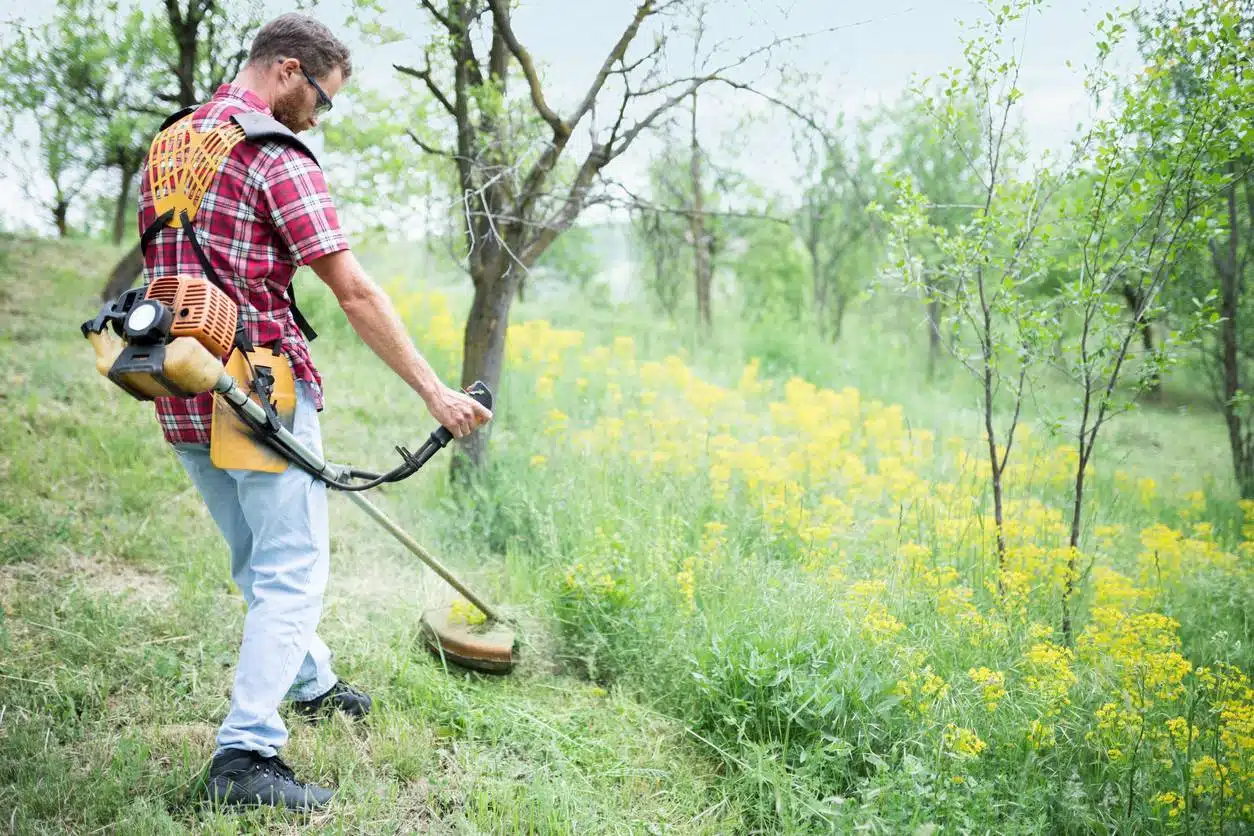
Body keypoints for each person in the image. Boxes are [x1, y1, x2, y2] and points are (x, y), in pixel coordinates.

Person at [136, 13, 492, 811]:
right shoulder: (273, 152)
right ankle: (245, 757)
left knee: (253, 555)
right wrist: (437, 392)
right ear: (289, 70)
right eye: (322, 100)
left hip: (178, 383)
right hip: (259, 389)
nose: (320, 117)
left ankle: (313, 683)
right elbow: (353, 289)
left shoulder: (172, 144)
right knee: (292, 572)